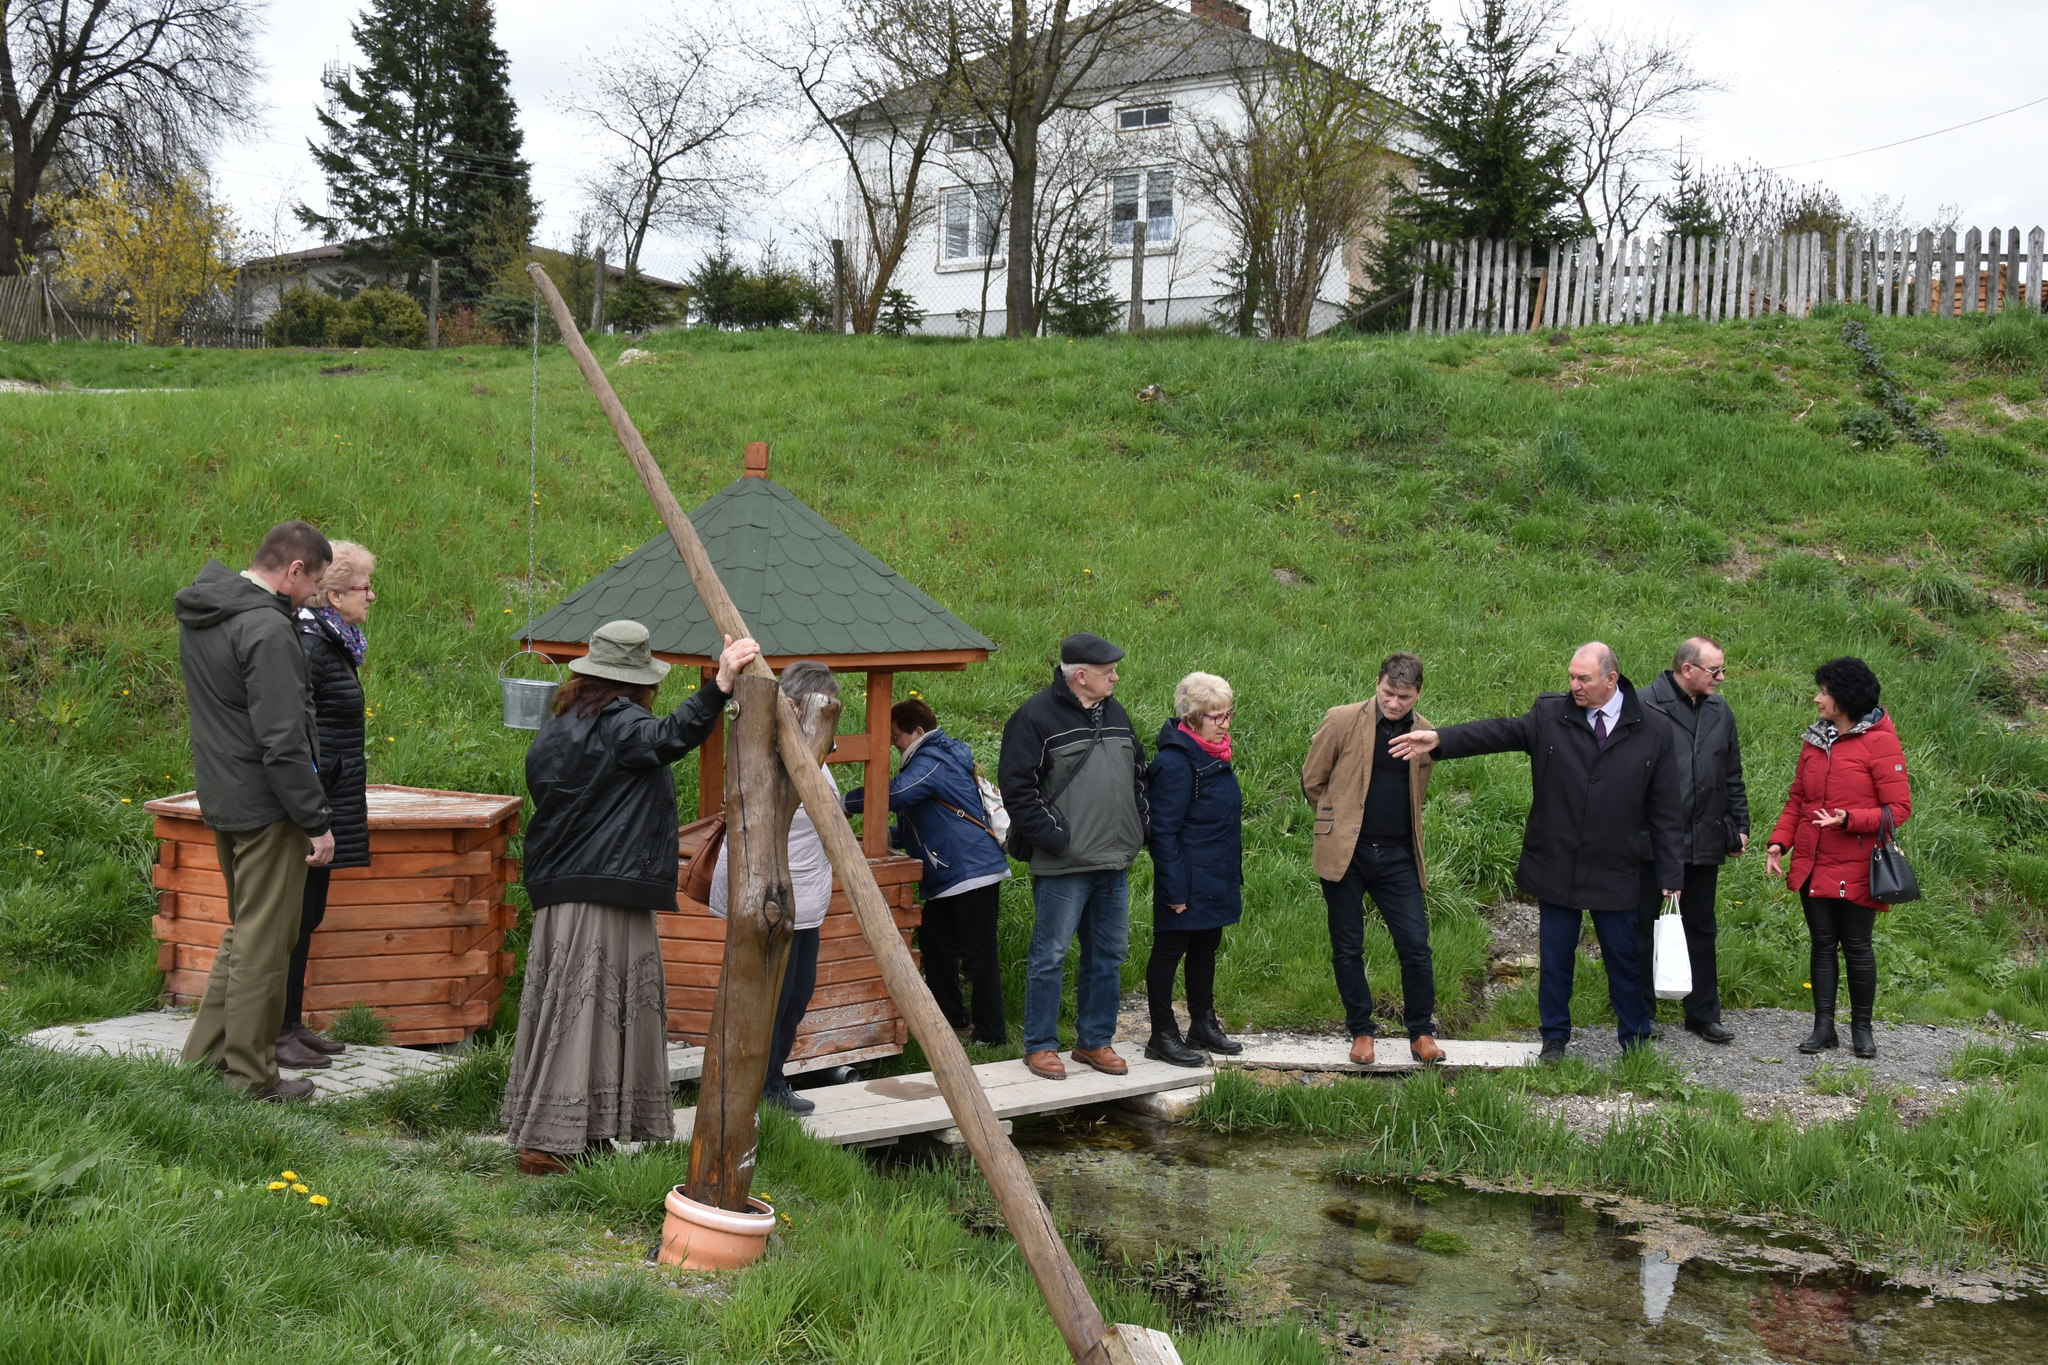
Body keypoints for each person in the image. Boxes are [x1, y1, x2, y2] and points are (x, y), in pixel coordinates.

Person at [506, 620, 760, 1174]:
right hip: (604, 890)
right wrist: (719, 687)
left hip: (563, 888)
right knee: (589, 1008)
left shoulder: (559, 726)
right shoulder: (623, 724)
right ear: (638, 682)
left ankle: (584, 1131)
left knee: (572, 1007)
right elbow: (666, 737)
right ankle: (549, 1142)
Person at [1391, 642, 1684, 1062]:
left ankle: (1634, 1040)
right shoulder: (1551, 714)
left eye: (1583, 679)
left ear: (1611, 679)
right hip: (1557, 862)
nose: (1574, 685)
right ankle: (1554, 1039)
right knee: (1556, 957)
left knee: (1625, 958)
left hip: (1616, 867)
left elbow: (1667, 808)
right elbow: (1501, 731)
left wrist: (1672, 875)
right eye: (1571, 676)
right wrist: (1440, 740)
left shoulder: (1654, 728)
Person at [175, 521, 337, 1101]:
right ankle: (250, 1079)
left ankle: (202, 1063)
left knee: (245, 936)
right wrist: (315, 819)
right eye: (315, 583)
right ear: (293, 570)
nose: (314, 596)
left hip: (224, 796)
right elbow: (283, 740)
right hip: (270, 807)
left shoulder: (208, 612)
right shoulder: (267, 628)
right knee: (265, 947)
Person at [998, 633, 1148, 1082]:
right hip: (1064, 865)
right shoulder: (1033, 718)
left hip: (1114, 861)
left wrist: (1140, 827)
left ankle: (1094, 1042)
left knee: (1109, 954)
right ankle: (1041, 1046)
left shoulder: (1115, 713)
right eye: (1108, 672)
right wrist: (1056, 838)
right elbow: (1017, 790)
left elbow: (1138, 774)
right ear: (1080, 676)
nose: (1116, 678)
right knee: (1051, 955)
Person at [708, 660, 842, 1115]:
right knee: (770, 1002)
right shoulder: (771, 751)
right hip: (771, 901)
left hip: (804, 903)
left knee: (793, 1000)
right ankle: (751, 1091)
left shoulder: (808, 753)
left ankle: (770, 1084)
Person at [1301, 652, 1444, 1067]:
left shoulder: (1426, 733)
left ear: (1418, 693)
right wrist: (1337, 820)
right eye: (1387, 692)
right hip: (1347, 854)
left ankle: (1421, 1032)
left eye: (1403, 696)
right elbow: (1313, 780)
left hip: (1398, 855)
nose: (1393, 703)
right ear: (1377, 682)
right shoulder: (1342, 719)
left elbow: (1420, 789)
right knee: (1348, 947)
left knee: (1416, 947)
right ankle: (1361, 1030)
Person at [844, 696, 1011, 1047]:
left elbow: (899, 793)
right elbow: (918, 830)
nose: (892, 743)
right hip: (950, 876)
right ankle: (952, 1020)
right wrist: (869, 837)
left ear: (918, 731)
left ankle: (992, 1034)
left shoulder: (931, 759)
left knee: (979, 957)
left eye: (895, 736)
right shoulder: (932, 760)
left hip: (970, 872)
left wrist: (844, 803)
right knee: (936, 948)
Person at [1766, 657, 1911, 1061]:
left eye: (1825, 692)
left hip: (1859, 863)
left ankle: (1862, 1029)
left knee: (1858, 947)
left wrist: (1850, 820)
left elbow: (1898, 808)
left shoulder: (1881, 742)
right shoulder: (1815, 740)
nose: (1817, 698)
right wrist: (1780, 842)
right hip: (1813, 859)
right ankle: (1823, 1027)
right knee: (1822, 944)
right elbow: (1799, 798)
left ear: (1844, 698)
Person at [276, 541, 378, 1072]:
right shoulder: (312, 645)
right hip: (310, 802)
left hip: (329, 794)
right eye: (364, 586)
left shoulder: (333, 640)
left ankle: (291, 1024)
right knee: (291, 917)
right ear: (334, 593)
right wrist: (312, 805)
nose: (372, 595)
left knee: (308, 914)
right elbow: (295, 734)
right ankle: (275, 1032)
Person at [1635, 637, 1749, 1044]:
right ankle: (1639, 1014)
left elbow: (1731, 772)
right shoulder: (1645, 705)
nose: (1721, 678)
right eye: (1715, 671)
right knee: (1644, 926)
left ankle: (1703, 1013)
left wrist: (1739, 824)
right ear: (1687, 670)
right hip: (1652, 841)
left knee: (1701, 925)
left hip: (1705, 838)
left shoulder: (1721, 710)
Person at [1144, 672, 1245, 1067]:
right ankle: (1162, 1034)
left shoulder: (1215, 755)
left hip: (1216, 872)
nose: (1225, 723)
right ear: (1191, 718)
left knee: (1206, 948)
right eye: (1216, 717)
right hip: (1186, 876)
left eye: (1227, 714)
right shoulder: (1174, 762)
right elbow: (1163, 832)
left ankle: (1202, 1023)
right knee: (1171, 950)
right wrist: (1174, 890)